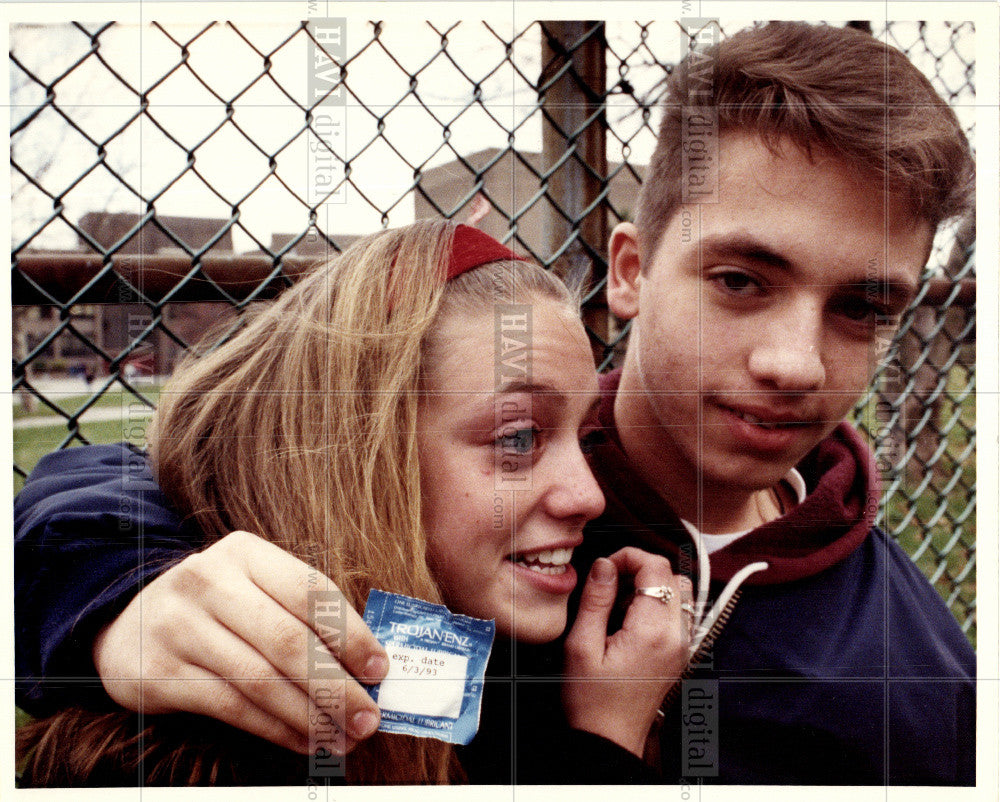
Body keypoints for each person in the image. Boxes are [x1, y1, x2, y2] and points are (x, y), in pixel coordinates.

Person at [15, 21, 976, 785]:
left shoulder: (923, 680)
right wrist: (117, 590)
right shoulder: (455, 529)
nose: (794, 363)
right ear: (631, 272)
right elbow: (198, 466)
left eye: (861, 308)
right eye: (740, 280)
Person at [15, 220, 692, 785]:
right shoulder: (173, 755)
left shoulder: (579, 640)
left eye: (578, 432)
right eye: (518, 436)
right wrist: (604, 746)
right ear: (363, 452)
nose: (589, 494)